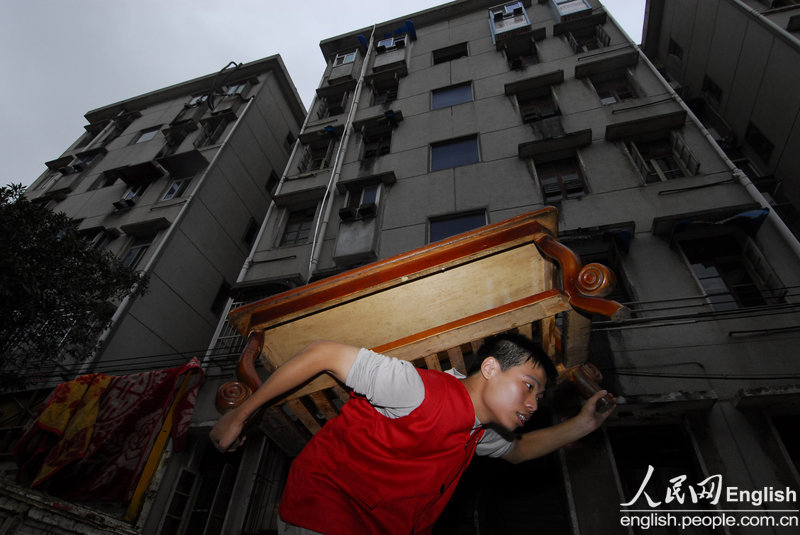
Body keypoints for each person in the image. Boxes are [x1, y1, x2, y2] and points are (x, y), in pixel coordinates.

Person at [210, 334, 615, 535]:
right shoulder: (415, 388)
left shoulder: (480, 431)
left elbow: (521, 450)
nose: (533, 404)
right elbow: (324, 354)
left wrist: (583, 423)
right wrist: (242, 415)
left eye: (540, 397)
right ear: (490, 368)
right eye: (529, 386)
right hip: (323, 512)